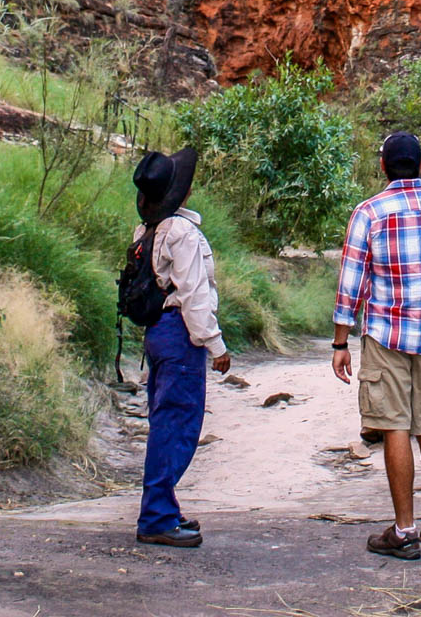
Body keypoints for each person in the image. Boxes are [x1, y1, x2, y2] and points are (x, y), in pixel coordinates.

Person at [331, 131, 421, 559]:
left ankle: (405, 531)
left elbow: (351, 281)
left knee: (394, 425)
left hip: (387, 334)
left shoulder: (370, 212)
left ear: (383, 167)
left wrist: (340, 341)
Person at [131, 147, 231, 548]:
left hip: (157, 332)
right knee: (178, 426)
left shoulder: (147, 231)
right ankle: (156, 516)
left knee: (163, 421)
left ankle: (164, 508)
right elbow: (194, 295)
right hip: (180, 334)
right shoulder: (184, 233)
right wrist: (215, 344)